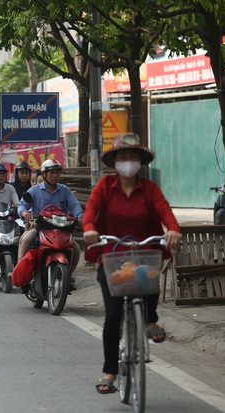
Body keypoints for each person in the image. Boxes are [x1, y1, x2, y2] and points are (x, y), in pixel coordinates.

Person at [82, 133, 182, 394]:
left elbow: (165, 210)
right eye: (123, 156)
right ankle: (110, 372)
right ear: (115, 161)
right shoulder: (105, 187)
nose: (128, 161)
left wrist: (173, 229)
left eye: (133, 156)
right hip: (111, 256)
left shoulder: (149, 189)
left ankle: (149, 321)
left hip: (143, 253)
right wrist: (90, 228)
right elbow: (90, 211)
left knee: (149, 277)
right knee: (113, 315)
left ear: (141, 160)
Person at [17, 159, 84, 278]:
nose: (55, 175)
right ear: (44, 174)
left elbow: (74, 205)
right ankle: (22, 272)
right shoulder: (34, 190)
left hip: (62, 229)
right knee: (26, 239)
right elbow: (22, 205)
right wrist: (24, 213)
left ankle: (68, 276)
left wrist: (80, 217)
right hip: (39, 228)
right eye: (51, 173)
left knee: (76, 249)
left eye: (57, 173)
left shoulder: (65, 190)